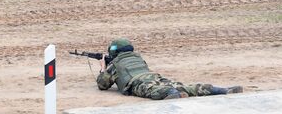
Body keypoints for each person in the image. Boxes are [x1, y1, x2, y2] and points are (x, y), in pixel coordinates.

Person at [97, 38, 243, 100]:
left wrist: (103, 68)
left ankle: (173, 93)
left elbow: (102, 85)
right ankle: (221, 90)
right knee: (185, 87)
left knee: (154, 92)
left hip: (138, 83)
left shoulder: (114, 65)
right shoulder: (138, 58)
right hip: (155, 77)